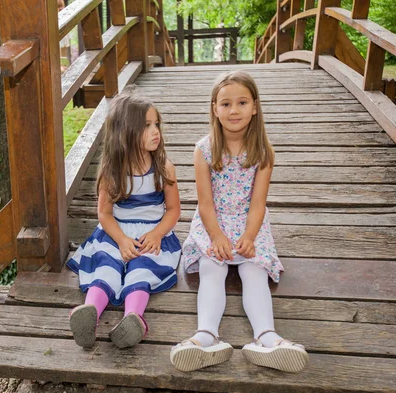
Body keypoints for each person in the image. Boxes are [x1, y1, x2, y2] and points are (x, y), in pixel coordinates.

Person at [170, 71, 308, 373]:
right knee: (211, 267)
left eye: (242, 102)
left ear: (255, 107)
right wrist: (217, 236)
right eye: (226, 104)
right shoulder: (204, 150)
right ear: (214, 109)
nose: (234, 110)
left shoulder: (263, 152)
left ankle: (267, 338)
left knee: (254, 269)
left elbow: (258, 204)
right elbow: (205, 204)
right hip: (213, 221)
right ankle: (206, 337)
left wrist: (249, 235)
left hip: (249, 222)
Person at [67, 90, 181, 349]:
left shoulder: (164, 168)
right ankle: (89, 313)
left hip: (152, 234)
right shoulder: (112, 171)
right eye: (147, 126)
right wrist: (120, 240)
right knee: (107, 268)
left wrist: (157, 234)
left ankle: (134, 318)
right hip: (114, 232)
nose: (156, 132)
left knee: (141, 269)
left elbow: (173, 210)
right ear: (126, 132)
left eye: (156, 125)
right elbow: (105, 214)